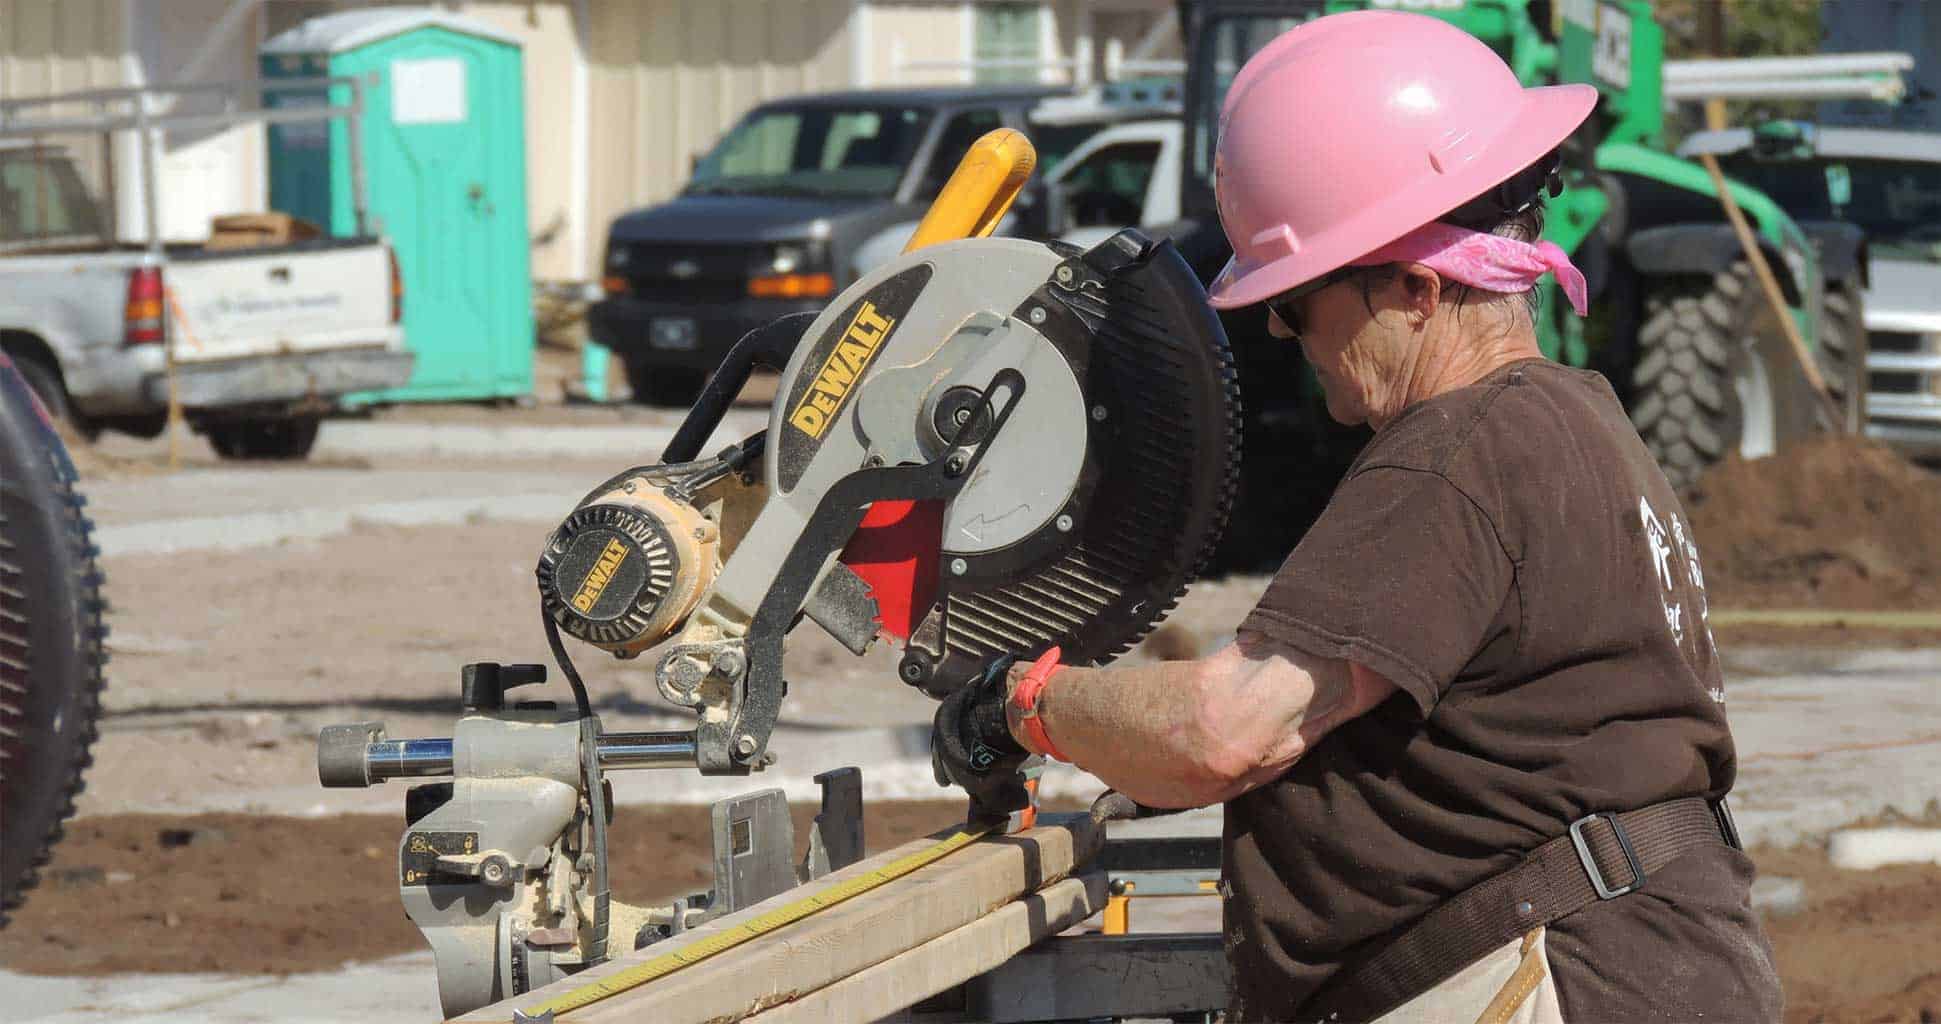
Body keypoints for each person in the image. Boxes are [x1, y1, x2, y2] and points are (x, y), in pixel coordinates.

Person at [930, 11, 1783, 1022]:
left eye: (1298, 303)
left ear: (1416, 288)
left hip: (1569, 970)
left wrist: (1026, 703)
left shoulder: (1459, 449)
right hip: (1658, 957)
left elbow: (1225, 727)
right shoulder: (1583, 426)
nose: (1292, 338)